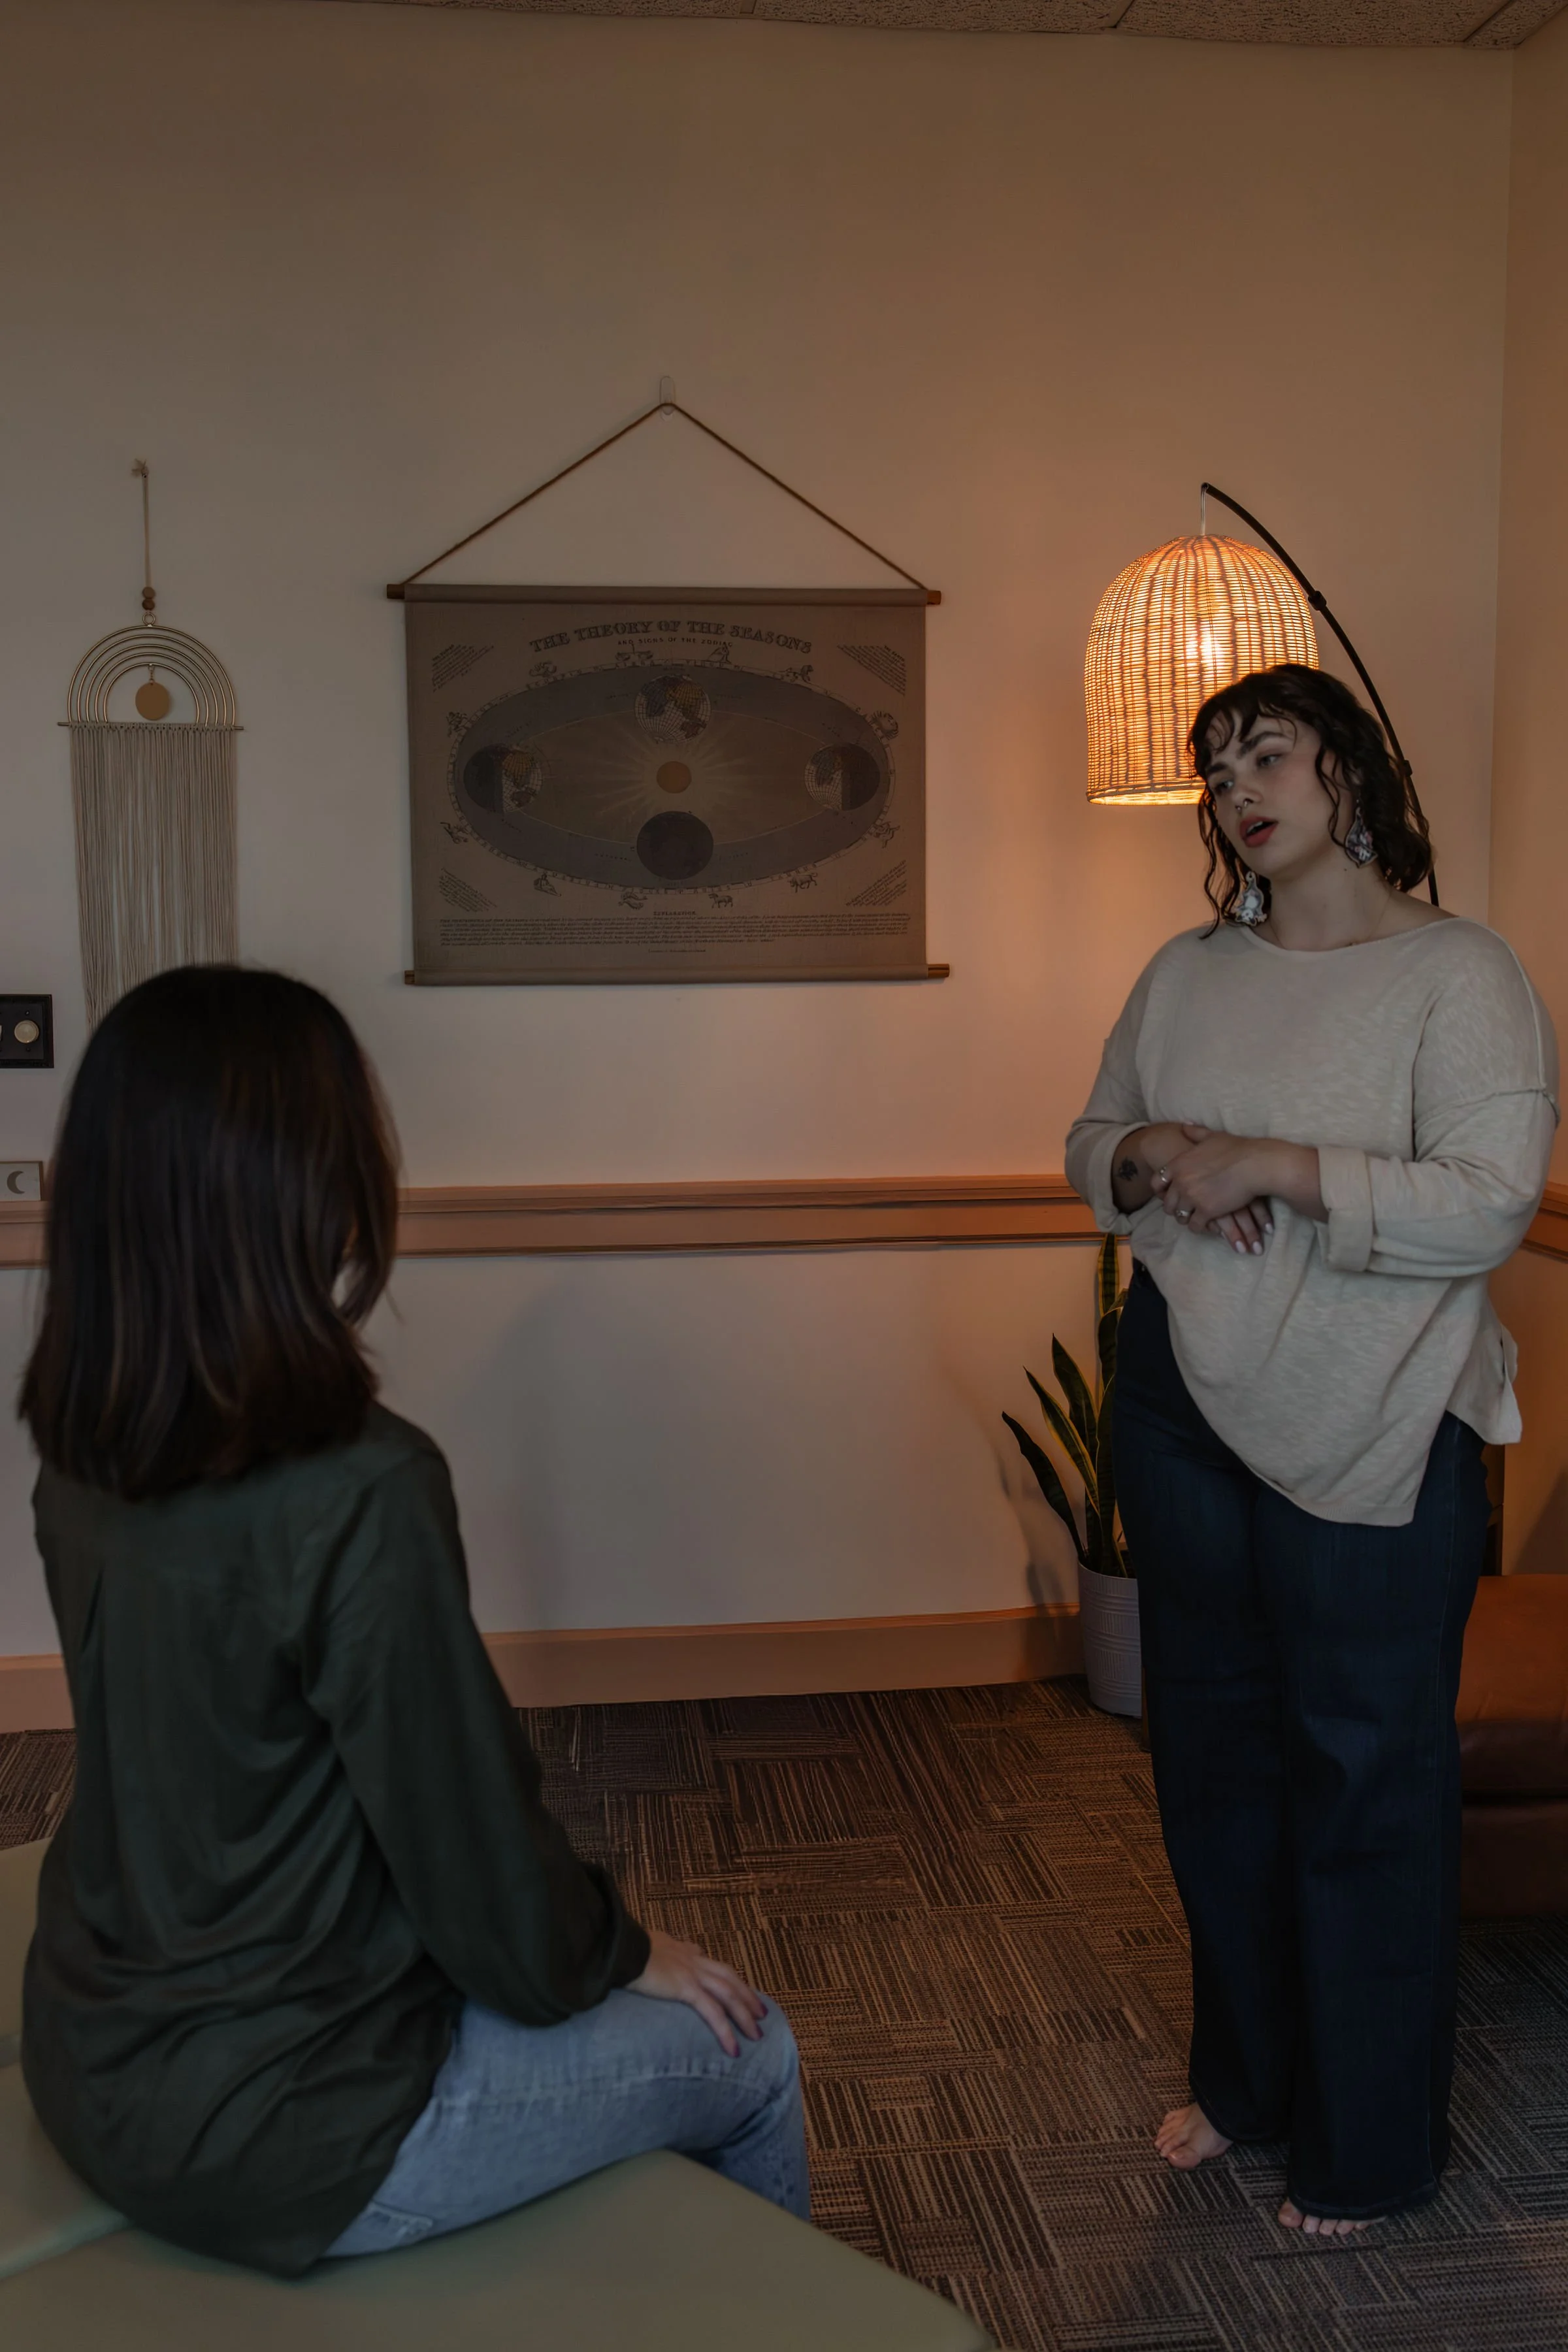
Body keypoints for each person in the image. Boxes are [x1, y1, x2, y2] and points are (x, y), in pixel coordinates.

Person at [18, 966, 808, 2278]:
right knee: (751, 2046)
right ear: (311, 1185)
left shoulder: (86, 1446)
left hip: (92, 2049)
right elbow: (475, 1856)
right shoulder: (360, 1483)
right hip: (279, 2125)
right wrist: (621, 1950)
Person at [1065, 663, 1556, 2239]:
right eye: (1216, 773)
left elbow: (1487, 1201)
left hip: (1381, 1421)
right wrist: (1151, 1153)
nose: (1236, 792)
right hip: (1180, 1402)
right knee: (1213, 1765)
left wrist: (1275, 1160)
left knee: (1365, 1781)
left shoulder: (1459, 974)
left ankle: (1369, 2150)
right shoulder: (1191, 969)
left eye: (1266, 755)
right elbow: (1095, 1147)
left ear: (1348, 774)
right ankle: (1251, 2086)